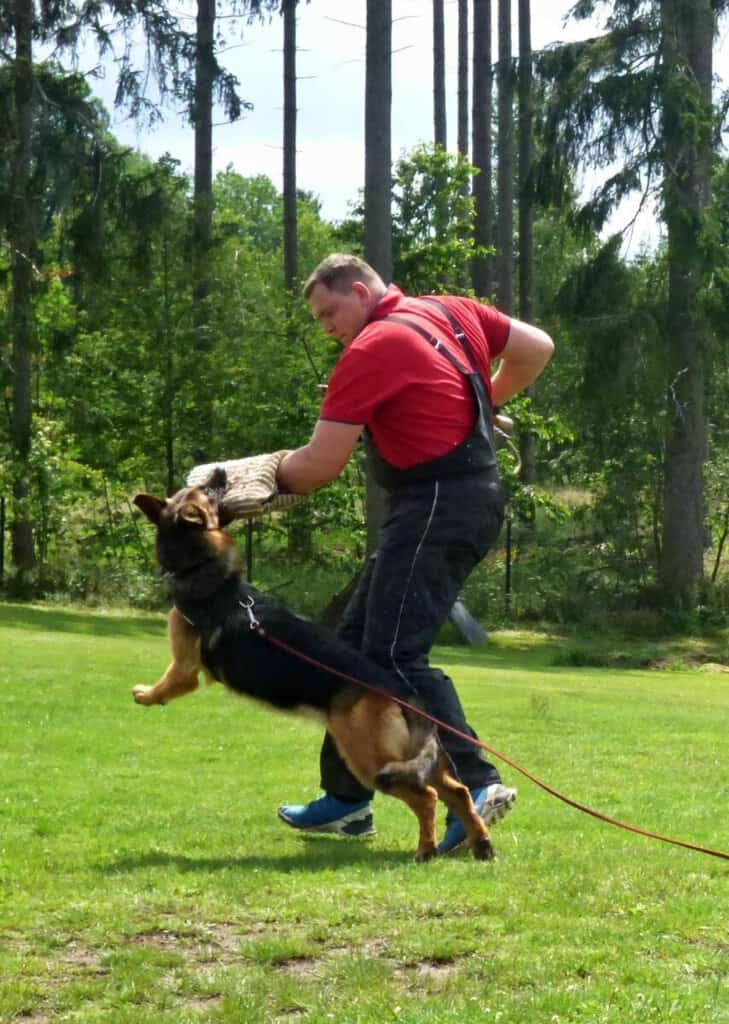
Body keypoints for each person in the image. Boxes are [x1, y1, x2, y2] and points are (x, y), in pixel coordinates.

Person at [275, 254, 554, 853]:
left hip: (435, 505)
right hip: (463, 499)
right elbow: (537, 347)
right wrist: (482, 408)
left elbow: (321, 466)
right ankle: (347, 802)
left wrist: (248, 484)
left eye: (329, 312)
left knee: (394, 656)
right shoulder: (451, 310)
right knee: (348, 654)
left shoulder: (370, 350)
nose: (326, 328)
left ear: (359, 290)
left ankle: (475, 786)